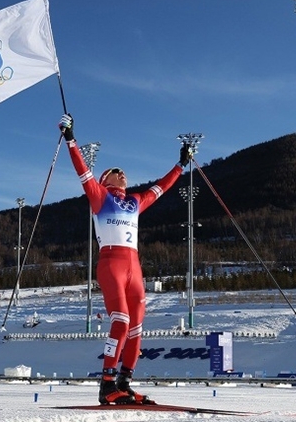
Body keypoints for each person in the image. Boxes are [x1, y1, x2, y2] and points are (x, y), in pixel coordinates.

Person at [58, 114, 191, 405]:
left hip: (134, 267)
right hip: (111, 265)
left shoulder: (134, 202)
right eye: (117, 171)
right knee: (120, 320)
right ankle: (106, 385)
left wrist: (181, 164)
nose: (123, 174)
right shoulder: (99, 196)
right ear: (106, 179)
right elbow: (82, 171)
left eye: (124, 172)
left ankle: (124, 383)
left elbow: (162, 188)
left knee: (136, 327)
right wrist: (70, 139)